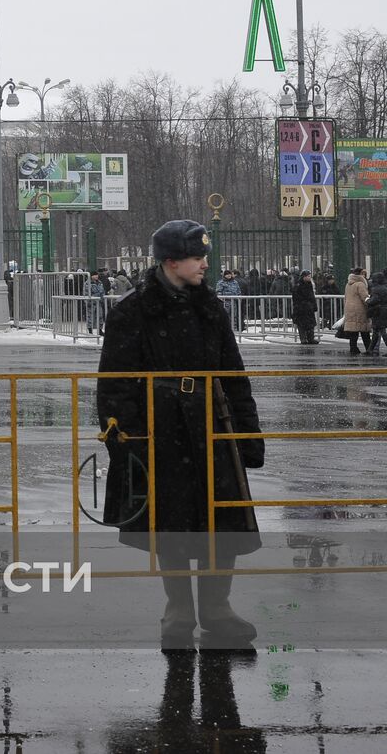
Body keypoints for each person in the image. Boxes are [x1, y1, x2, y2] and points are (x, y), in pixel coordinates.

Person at [96, 219, 265, 650]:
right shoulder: (132, 312)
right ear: (171, 262)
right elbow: (114, 385)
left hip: (213, 424)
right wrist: (126, 439)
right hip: (162, 430)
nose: (205, 264)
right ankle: (179, 611)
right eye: (197, 257)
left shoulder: (210, 307)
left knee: (221, 517)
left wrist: (248, 432)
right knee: (170, 522)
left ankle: (216, 609)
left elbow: (234, 374)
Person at [341, 266, 371, 355]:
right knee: (364, 331)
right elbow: (364, 297)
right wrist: (370, 303)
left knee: (353, 332)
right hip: (359, 309)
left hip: (349, 308)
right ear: (361, 274)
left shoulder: (348, 284)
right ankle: (369, 349)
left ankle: (353, 348)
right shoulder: (360, 284)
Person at [291, 270, 317, 344]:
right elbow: (296, 297)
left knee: (310, 324)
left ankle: (310, 338)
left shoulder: (309, 285)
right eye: (308, 276)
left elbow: (312, 296)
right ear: (304, 277)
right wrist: (303, 304)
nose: (309, 278)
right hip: (301, 308)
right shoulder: (298, 285)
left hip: (308, 308)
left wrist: (313, 306)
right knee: (302, 324)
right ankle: (303, 339)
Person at [366, 271, 387, 357]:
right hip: (383, 311)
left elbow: (374, 300)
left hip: (378, 311)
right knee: (376, 331)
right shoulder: (384, 287)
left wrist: (367, 300)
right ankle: (370, 350)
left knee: (380, 331)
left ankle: (370, 350)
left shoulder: (375, 289)